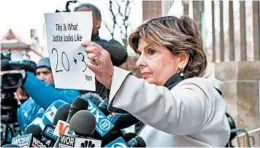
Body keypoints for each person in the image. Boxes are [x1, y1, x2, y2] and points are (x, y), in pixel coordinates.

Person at [82, 16, 230, 147]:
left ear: (182, 59)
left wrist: (112, 77)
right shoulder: (162, 97)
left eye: (151, 52)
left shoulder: (201, 91)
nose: (140, 61)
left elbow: (175, 111)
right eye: (140, 53)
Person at [74, 3, 128, 99]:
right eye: (76, 18)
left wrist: (89, 44)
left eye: (85, 18)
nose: (80, 22)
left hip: (101, 105)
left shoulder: (108, 45)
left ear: (98, 23)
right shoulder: (65, 47)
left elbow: (121, 54)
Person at [16, 57, 80, 131]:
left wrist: (26, 78)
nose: (41, 78)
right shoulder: (26, 106)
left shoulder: (70, 94)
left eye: (45, 73)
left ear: (55, 74)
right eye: (38, 74)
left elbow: (53, 99)